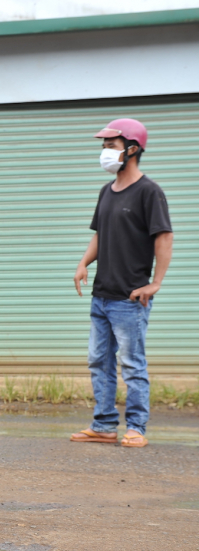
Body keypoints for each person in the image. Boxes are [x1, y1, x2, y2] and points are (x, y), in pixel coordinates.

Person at [71, 119, 173, 449]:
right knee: (99, 362)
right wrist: (84, 263)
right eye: (103, 146)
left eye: (111, 146)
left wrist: (155, 283)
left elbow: (164, 237)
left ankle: (137, 428)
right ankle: (103, 425)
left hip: (130, 298)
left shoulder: (149, 192)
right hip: (102, 295)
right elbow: (100, 234)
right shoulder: (106, 191)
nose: (105, 151)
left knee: (132, 365)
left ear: (132, 149)